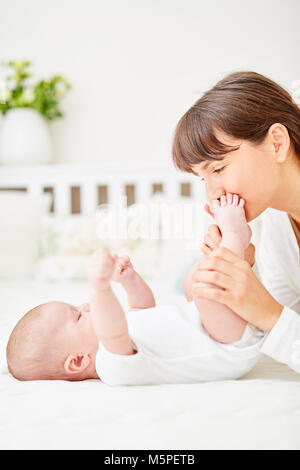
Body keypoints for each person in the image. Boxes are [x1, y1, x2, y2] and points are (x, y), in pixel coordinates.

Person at [6, 193, 265, 385]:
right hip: (228, 349)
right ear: (78, 361)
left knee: (191, 280)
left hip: (215, 329)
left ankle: (231, 253)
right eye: (77, 314)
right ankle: (235, 237)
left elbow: (144, 308)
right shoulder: (112, 366)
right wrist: (100, 289)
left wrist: (130, 281)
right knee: (204, 288)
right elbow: (113, 330)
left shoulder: (122, 343)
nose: (85, 306)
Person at [172, 70, 300, 374]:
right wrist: (243, 272)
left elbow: (279, 320)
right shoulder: (277, 228)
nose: (213, 194)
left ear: (277, 143)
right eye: (202, 179)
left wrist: (269, 313)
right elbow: (286, 328)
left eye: (217, 169)